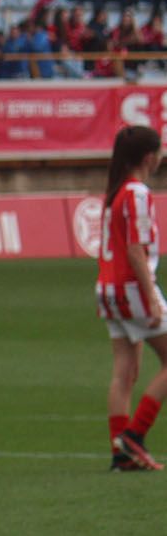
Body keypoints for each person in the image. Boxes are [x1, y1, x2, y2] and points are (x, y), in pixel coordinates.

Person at [97, 126, 167, 471]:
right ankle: (134, 436)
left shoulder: (114, 192)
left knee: (124, 371)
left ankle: (120, 453)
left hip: (108, 289)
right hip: (131, 288)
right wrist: (152, 298)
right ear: (148, 157)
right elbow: (135, 250)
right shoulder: (137, 192)